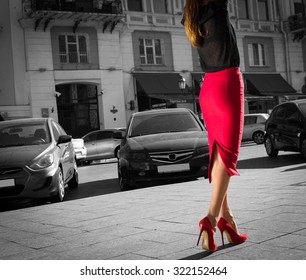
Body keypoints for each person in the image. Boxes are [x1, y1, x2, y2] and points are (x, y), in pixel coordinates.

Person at [182, 0, 247, 251]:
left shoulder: (193, 16)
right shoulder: (217, 9)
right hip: (227, 84)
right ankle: (209, 219)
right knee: (227, 156)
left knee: (218, 154)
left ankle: (227, 220)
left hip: (208, 88)